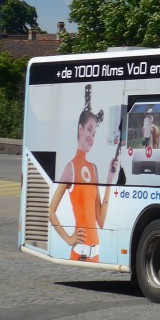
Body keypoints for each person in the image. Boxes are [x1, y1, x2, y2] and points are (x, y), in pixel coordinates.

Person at [48, 108, 119, 262]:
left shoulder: (93, 168)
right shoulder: (70, 168)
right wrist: (68, 239)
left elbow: (100, 221)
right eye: (89, 129)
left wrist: (109, 181)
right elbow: (51, 212)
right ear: (80, 129)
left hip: (96, 256)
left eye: (94, 134)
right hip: (79, 254)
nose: (91, 137)